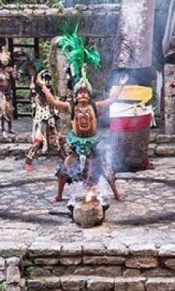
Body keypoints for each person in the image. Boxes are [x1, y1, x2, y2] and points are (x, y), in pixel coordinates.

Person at [38, 70, 128, 203]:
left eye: (85, 92)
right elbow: (54, 102)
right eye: (80, 92)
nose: (83, 94)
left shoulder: (95, 106)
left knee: (105, 168)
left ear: (89, 95)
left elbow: (111, 100)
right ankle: (59, 195)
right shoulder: (71, 107)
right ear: (75, 95)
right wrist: (44, 87)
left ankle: (116, 193)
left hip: (93, 142)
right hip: (76, 142)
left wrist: (121, 86)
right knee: (65, 167)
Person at [26, 67, 68, 171]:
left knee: (59, 141)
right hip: (42, 121)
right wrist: (36, 79)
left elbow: (57, 101)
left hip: (53, 120)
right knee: (38, 141)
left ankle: (66, 161)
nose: (47, 86)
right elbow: (33, 94)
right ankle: (28, 162)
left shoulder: (53, 96)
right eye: (46, 81)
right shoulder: (37, 96)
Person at [0, 42, 16, 136]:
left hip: (7, 90)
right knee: (1, 110)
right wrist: (2, 75)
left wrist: (14, 72)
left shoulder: (10, 69)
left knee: (9, 109)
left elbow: (16, 77)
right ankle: (2, 128)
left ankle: (10, 127)